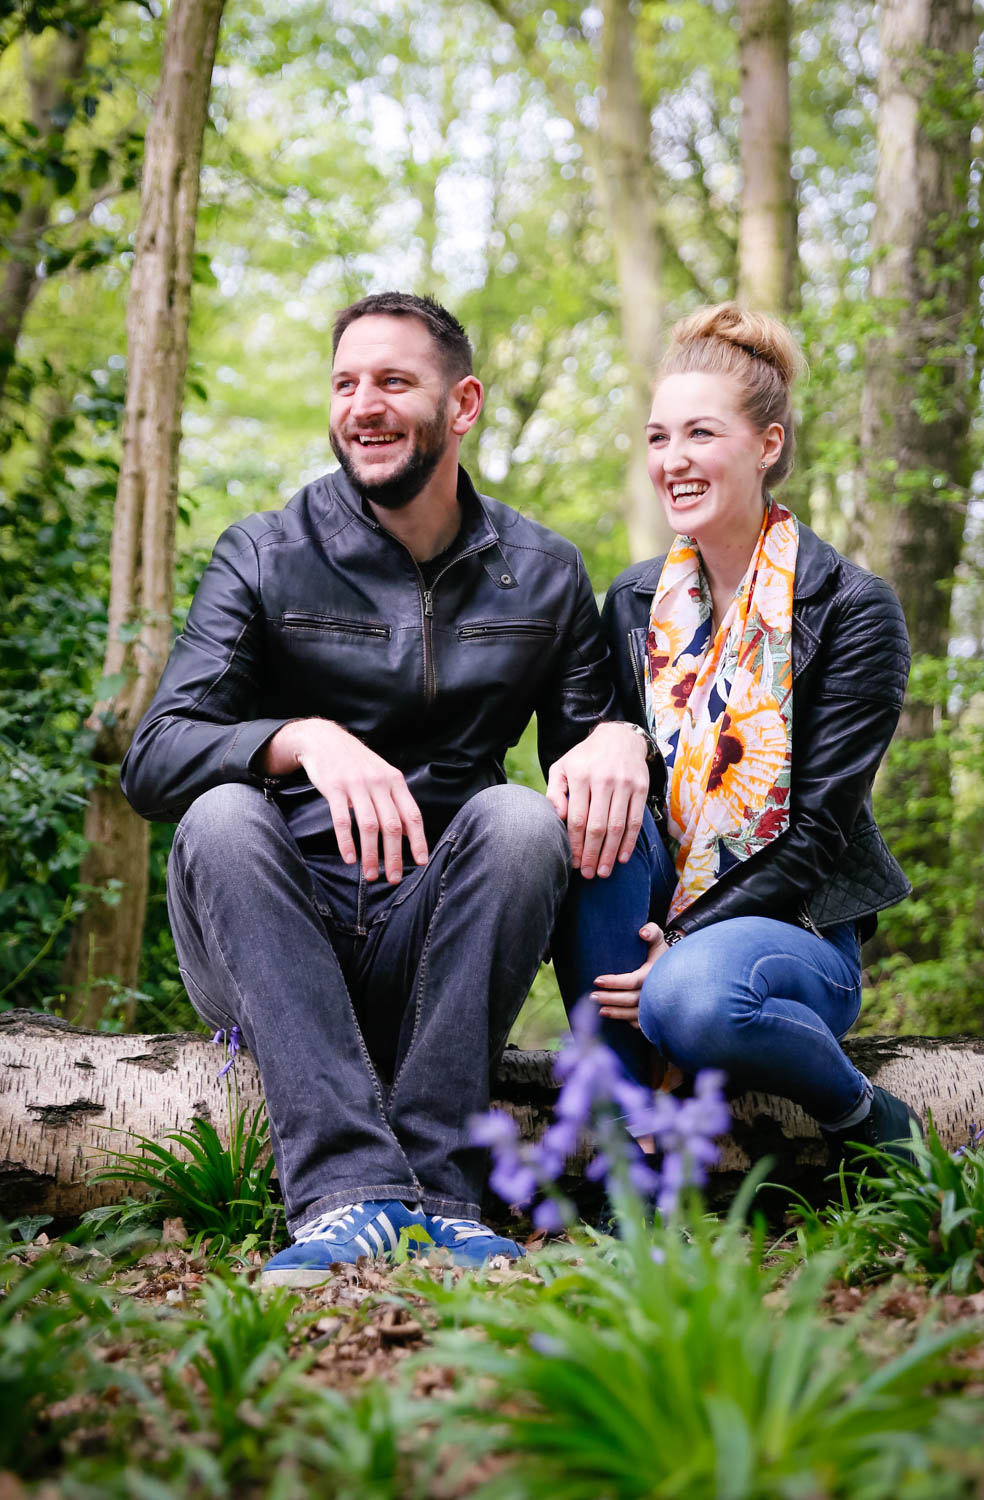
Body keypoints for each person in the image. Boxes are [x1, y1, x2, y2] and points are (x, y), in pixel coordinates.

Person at [121, 292, 651, 1285]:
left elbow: (592, 798)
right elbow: (154, 759)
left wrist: (618, 734)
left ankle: (441, 1194)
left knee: (520, 815)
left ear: (463, 405)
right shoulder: (264, 554)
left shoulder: (541, 576)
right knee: (224, 813)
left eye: (393, 381)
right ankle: (349, 1195)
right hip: (269, 932)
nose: (362, 404)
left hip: (435, 944)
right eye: (345, 382)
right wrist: (297, 738)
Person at [550, 303, 919, 1170]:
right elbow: (615, 784)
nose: (672, 461)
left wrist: (679, 944)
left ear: (767, 445)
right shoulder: (634, 604)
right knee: (586, 812)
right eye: (657, 437)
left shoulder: (851, 610)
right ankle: (629, 1150)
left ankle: (862, 1118)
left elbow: (820, 835)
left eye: (700, 434)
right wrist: (606, 739)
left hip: (791, 933)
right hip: (648, 914)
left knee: (694, 999)